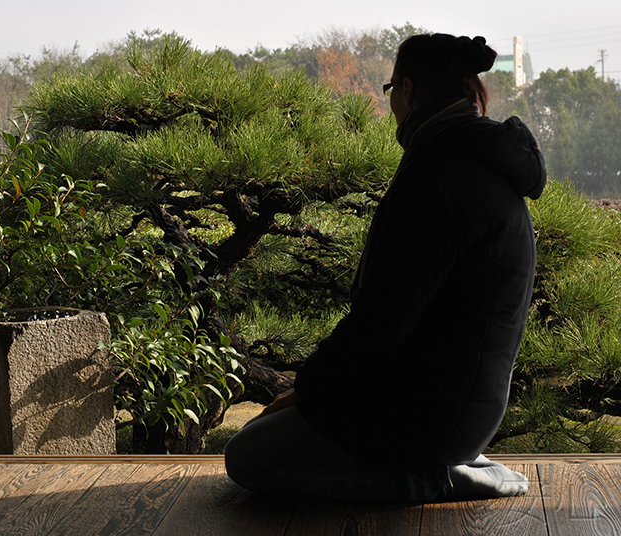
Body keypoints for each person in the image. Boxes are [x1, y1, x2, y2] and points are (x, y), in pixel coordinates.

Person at [224, 33, 546, 502]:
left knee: (248, 456)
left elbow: (379, 323)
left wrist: (309, 390)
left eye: (392, 89)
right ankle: (453, 461)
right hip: (458, 406)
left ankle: (434, 476)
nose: (393, 101)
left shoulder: (436, 176)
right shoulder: (478, 161)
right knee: (276, 424)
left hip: (426, 415)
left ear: (410, 91)